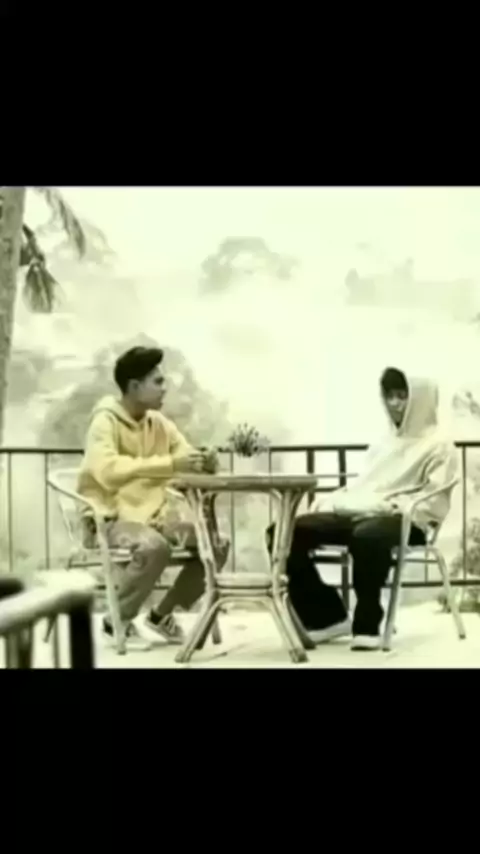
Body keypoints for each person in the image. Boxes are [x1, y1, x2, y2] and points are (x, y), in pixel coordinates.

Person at [267, 367, 458, 651]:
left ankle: (368, 624)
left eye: (402, 396)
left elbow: (433, 500)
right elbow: (367, 484)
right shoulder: (383, 443)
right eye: (389, 396)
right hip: (363, 511)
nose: (394, 403)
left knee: (368, 535)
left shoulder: (440, 446)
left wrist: (390, 507)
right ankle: (326, 617)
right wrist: (341, 500)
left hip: (408, 521)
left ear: (420, 399)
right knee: (282, 533)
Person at [77, 346, 225, 650]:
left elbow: (184, 456)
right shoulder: (104, 422)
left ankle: (162, 615)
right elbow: (107, 471)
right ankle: (116, 621)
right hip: (109, 519)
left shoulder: (158, 423)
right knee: (153, 547)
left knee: (216, 544)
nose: (164, 387)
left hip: (153, 518)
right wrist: (169, 464)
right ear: (134, 386)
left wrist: (204, 461)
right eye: (157, 381)